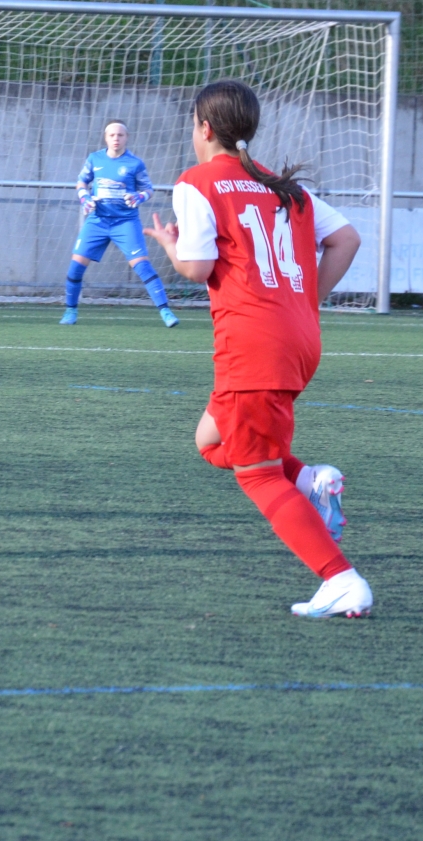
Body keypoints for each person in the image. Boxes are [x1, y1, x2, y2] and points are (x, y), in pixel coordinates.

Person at [145, 79, 371, 618]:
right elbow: (347, 239)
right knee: (210, 441)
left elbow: (198, 268)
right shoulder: (281, 183)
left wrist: (173, 247)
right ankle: (310, 480)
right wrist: (304, 301)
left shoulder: (197, 181)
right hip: (298, 338)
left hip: (254, 342)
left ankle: (341, 579)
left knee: (256, 474)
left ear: (203, 128)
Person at [62, 120, 179, 328]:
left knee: (142, 266)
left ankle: (166, 312)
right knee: (75, 268)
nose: (116, 138)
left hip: (125, 222)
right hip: (97, 221)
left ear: (127, 137)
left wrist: (139, 197)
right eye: (112, 135)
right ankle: (70, 310)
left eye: (120, 135)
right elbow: (82, 182)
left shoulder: (135, 163)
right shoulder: (94, 159)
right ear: (106, 138)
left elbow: (148, 189)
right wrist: (84, 198)